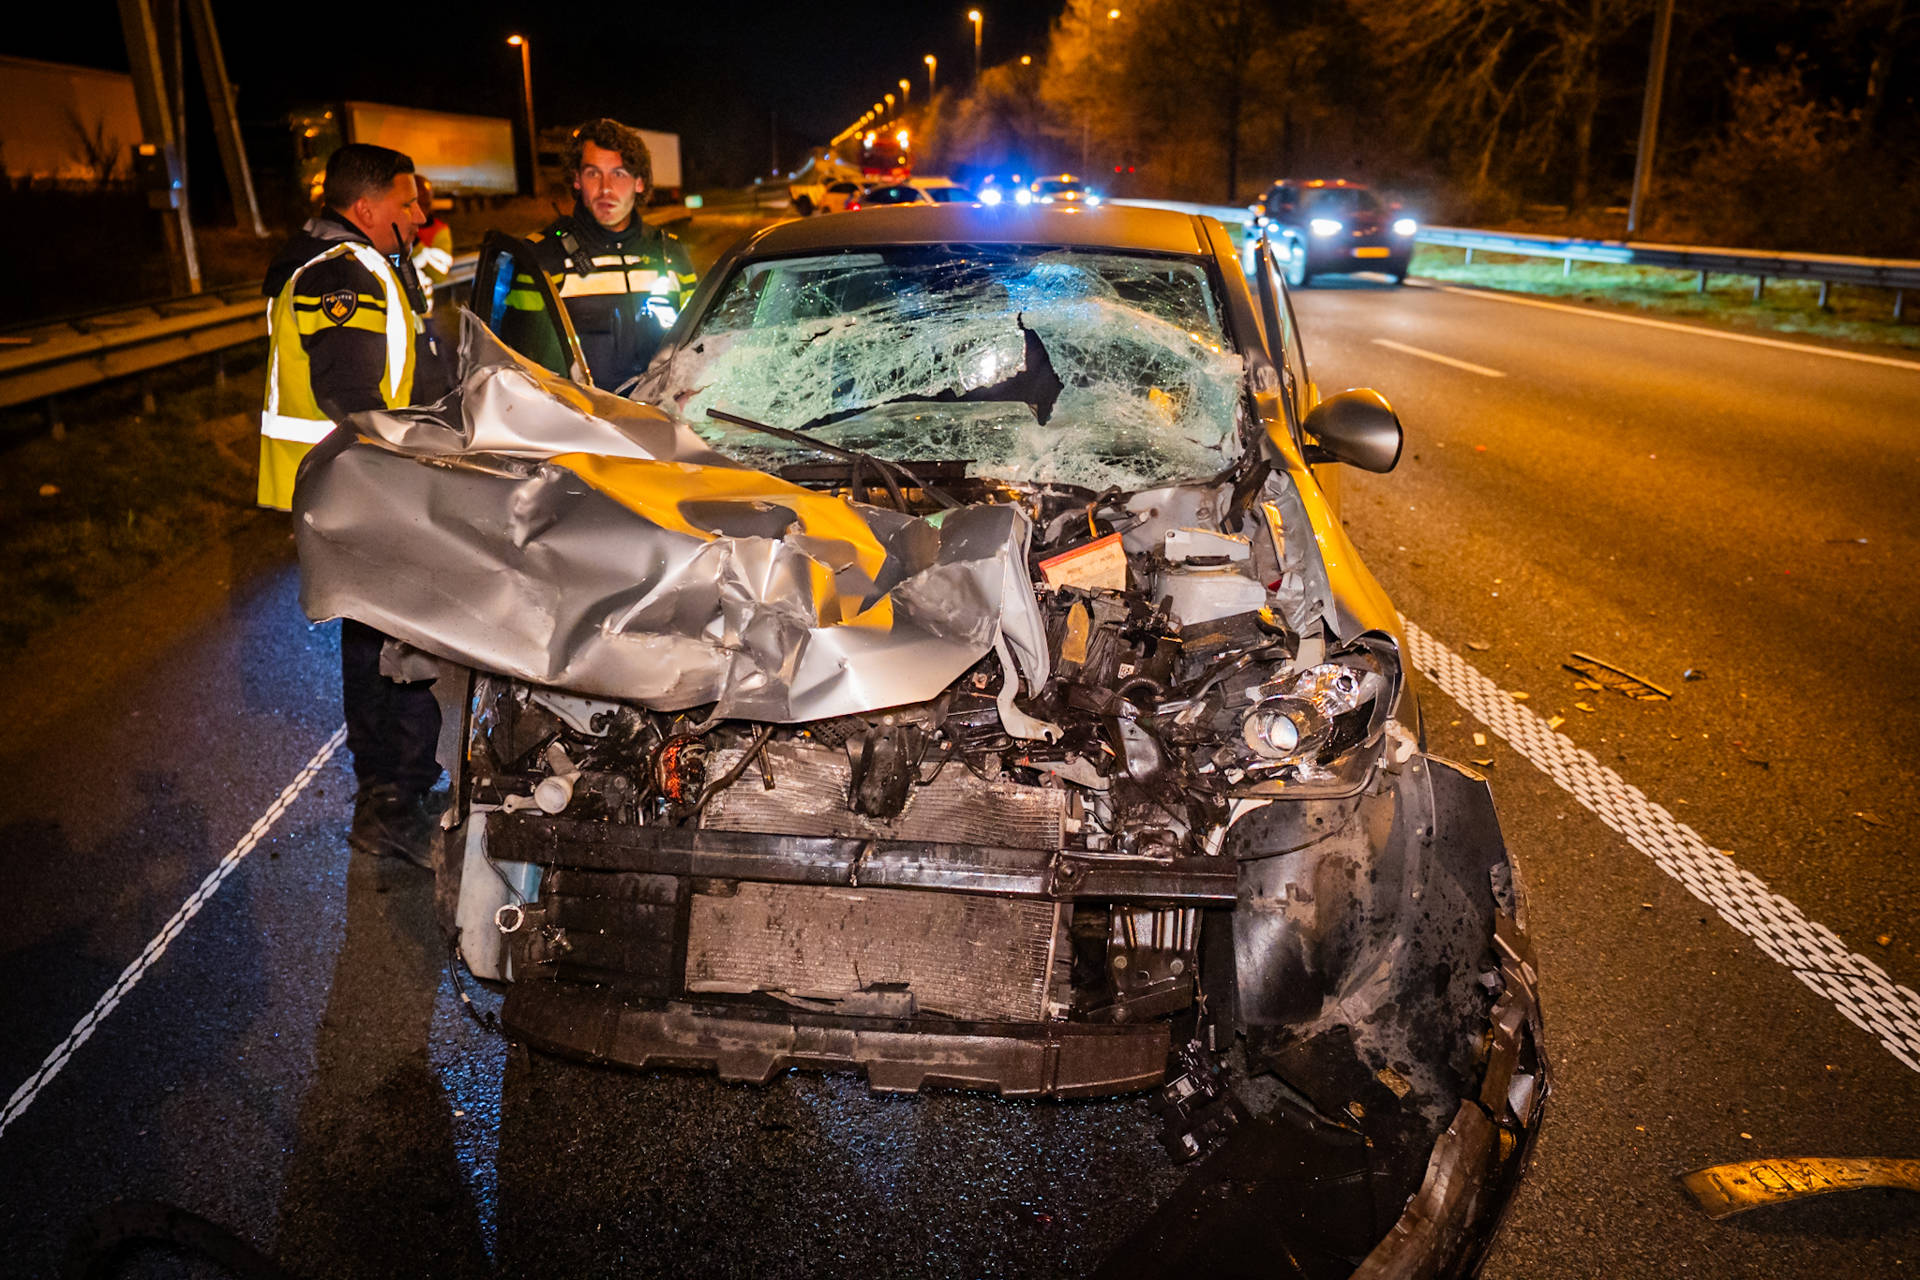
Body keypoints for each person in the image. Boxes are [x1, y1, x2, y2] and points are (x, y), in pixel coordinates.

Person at [259, 142, 441, 866]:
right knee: (392, 654)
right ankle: (391, 805)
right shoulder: (343, 274)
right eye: (408, 203)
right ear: (366, 208)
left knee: (383, 647)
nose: (421, 216)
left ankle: (397, 795)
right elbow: (350, 392)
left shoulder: (363, 264)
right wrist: (405, 461)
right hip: (364, 489)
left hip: (365, 487)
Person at [503, 118, 697, 390]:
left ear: (639, 182)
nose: (606, 188)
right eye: (593, 173)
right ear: (577, 180)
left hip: (658, 422)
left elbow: (697, 350)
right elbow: (521, 370)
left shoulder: (671, 255)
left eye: (619, 173)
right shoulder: (541, 260)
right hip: (579, 426)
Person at [410, 175, 455, 315]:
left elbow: (439, 275)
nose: (421, 210)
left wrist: (415, 243)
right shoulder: (391, 228)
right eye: (417, 203)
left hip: (422, 309)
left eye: (426, 204)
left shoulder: (439, 230)